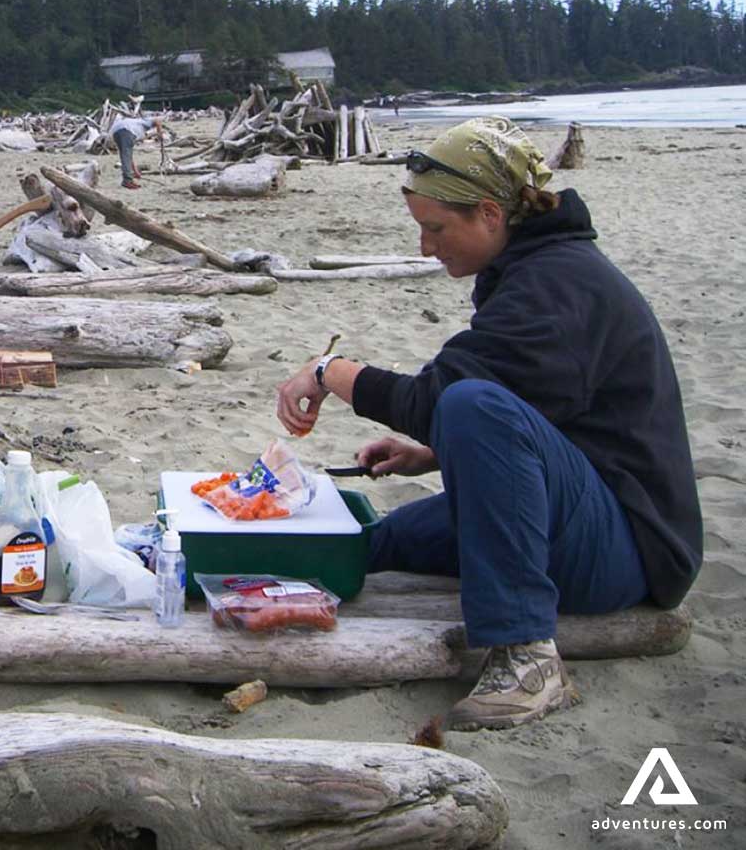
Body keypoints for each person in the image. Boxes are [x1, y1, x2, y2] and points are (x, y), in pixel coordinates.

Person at [274, 116, 702, 731]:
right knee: (378, 545)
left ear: (490, 214)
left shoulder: (558, 284)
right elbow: (550, 406)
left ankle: (528, 656)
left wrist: (328, 371)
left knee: (469, 405)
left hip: (630, 546)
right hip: (573, 507)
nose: (426, 246)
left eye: (436, 228)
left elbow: (449, 397)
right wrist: (434, 455)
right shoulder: (539, 269)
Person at [109, 115, 162, 189]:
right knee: (126, 155)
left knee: (124, 156)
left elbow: (128, 157)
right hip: (126, 130)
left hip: (115, 131)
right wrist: (160, 134)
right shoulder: (145, 122)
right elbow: (157, 120)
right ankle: (127, 181)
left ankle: (128, 179)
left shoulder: (135, 123)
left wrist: (135, 171)